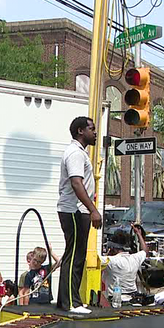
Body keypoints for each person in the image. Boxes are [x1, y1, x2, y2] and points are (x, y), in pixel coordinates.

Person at [57, 116, 103, 315]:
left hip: (77, 210)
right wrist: (93, 209)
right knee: (75, 255)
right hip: (74, 211)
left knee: (76, 255)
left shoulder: (79, 153)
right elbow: (77, 183)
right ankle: (70, 304)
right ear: (80, 131)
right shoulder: (75, 153)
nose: (95, 133)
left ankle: (69, 299)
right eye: (92, 129)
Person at [102, 224, 148, 307]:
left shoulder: (110, 261)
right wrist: (138, 234)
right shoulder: (134, 258)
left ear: (112, 248)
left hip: (116, 300)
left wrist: (107, 254)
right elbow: (145, 250)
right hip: (133, 299)